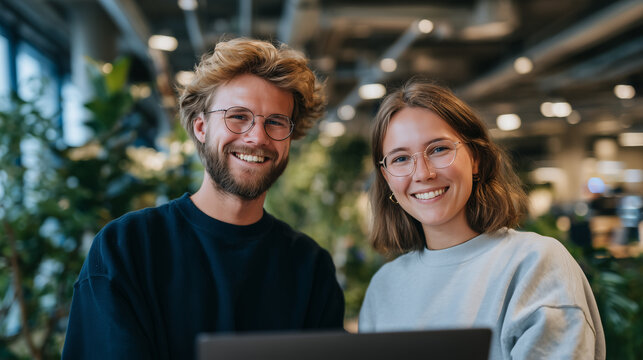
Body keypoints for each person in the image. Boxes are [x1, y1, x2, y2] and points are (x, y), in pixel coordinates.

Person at [63, 38, 345, 359]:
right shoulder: (125, 249)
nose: (257, 137)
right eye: (238, 116)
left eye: (276, 122)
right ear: (200, 127)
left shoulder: (309, 267)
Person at [358, 78, 605, 359]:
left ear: (475, 158)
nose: (423, 173)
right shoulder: (384, 286)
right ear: (386, 177)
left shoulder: (534, 264)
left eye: (439, 149)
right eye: (400, 159)